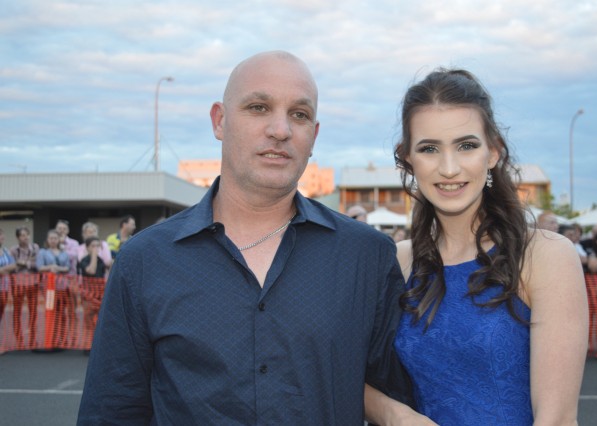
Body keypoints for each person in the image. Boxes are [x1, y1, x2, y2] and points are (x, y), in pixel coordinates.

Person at [78, 51, 408, 424]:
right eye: (258, 107)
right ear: (219, 121)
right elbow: (112, 410)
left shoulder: (367, 256)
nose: (281, 130)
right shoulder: (145, 261)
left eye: (299, 114)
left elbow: (396, 399)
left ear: (314, 135)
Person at [366, 68, 588, 425]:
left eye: (466, 146)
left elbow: (557, 419)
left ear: (494, 152)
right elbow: (342, 370)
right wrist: (395, 414)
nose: (449, 168)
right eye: (429, 149)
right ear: (407, 157)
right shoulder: (398, 260)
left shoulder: (545, 255)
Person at [36, 229, 71, 347]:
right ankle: (51, 338)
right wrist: (50, 267)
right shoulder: (43, 252)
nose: (53, 240)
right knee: (51, 311)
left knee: (62, 312)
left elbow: (67, 267)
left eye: (55, 238)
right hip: (49, 288)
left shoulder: (64, 253)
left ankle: (62, 338)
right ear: (47, 240)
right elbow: (39, 267)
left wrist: (58, 268)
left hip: (62, 287)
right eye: (51, 238)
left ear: (58, 240)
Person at [10, 226, 40, 349]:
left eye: (27, 234)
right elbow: (13, 266)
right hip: (17, 284)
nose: (25, 237)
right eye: (22, 235)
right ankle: (19, 341)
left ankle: (33, 340)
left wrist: (23, 262)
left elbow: (37, 264)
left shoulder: (35, 247)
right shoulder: (13, 250)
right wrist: (28, 262)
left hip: (33, 283)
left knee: (33, 312)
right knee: (17, 312)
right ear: (18, 237)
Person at [0, 228, 17, 325]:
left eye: (2, 234)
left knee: (1, 311)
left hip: (4, 288)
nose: (1, 237)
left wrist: (2, 270)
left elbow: (13, 265)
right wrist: (5, 270)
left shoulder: (6, 251)